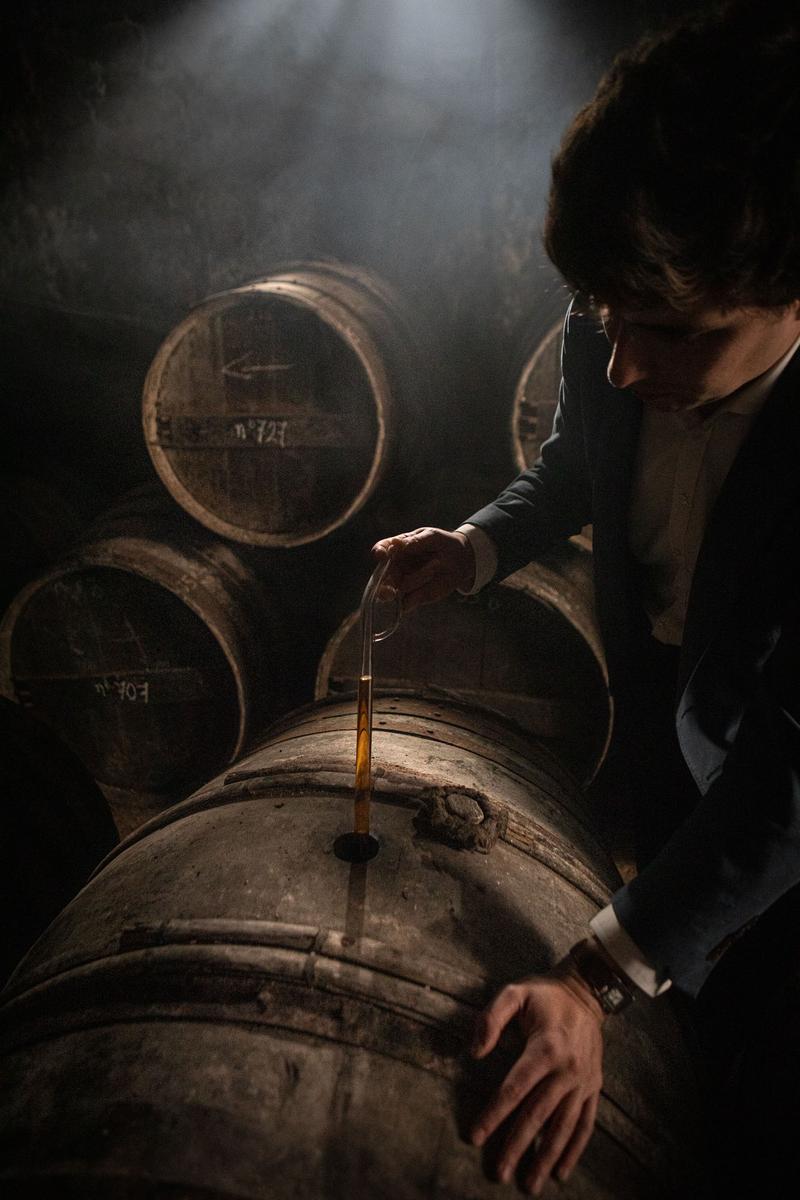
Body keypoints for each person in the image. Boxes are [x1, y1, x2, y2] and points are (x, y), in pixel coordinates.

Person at [374, 1, 800, 1194]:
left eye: (661, 333)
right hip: (673, 713)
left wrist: (591, 978)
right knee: (691, 1039)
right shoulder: (618, 323)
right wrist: (472, 548)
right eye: (603, 321)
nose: (619, 362)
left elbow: (787, 779)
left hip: (779, 797)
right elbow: (575, 464)